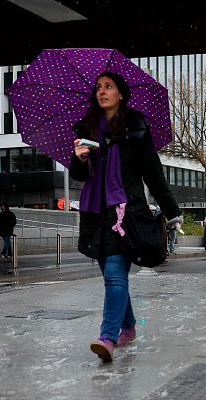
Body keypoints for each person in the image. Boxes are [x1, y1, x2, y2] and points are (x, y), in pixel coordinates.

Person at [70, 72, 182, 362]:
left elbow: (152, 173)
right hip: (95, 212)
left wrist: (171, 211)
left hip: (125, 211)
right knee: (110, 274)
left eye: (108, 87)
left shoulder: (135, 127)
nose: (102, 92)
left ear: (121, 93)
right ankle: (129, 327)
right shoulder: (88, 128)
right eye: (98, 87)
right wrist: (79, 159)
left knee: (115, 275)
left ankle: (107, 338)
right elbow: (80, 175)